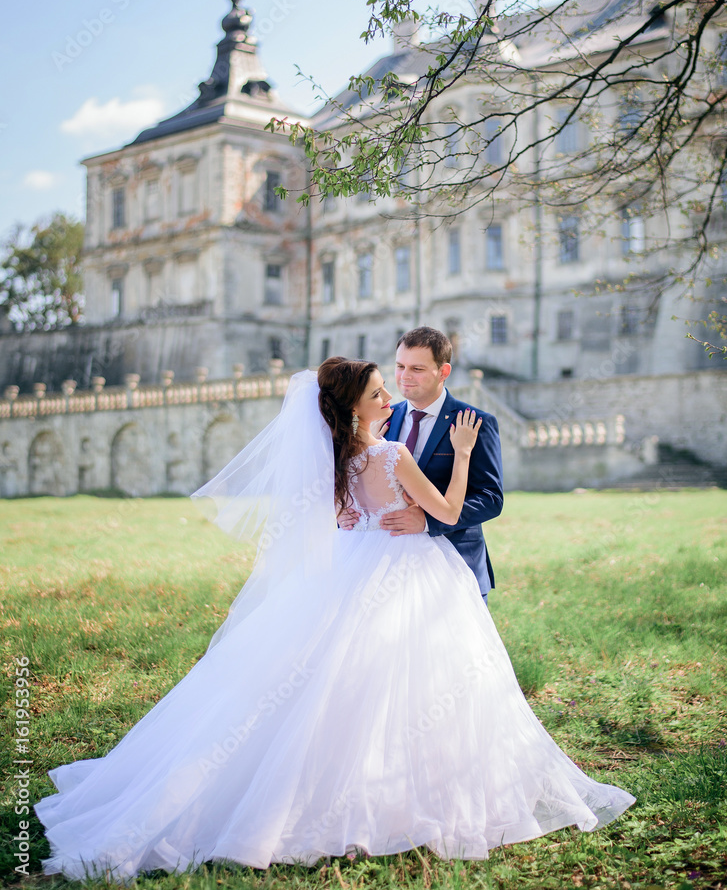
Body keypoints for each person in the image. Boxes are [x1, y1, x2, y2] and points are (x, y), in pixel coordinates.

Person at [34, 359, 634, 882]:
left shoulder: (342, 456)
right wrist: (466, 455)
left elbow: (345, 517)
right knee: (421, 677)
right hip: (410, 566)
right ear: (356, 405)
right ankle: (395, 791)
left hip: (357, 562)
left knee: (343, 674)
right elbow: (448, 509)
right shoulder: (392, 452)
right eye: (379, 391)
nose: (391, 396)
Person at [339, 327, 503, 601]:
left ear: (443, 371)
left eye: (417, 368)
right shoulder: (381, 418)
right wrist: (342, 513)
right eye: (400, 366)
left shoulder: (474, 423)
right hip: (386, 568)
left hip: (457, 564)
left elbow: (490, 498)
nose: (404, 377)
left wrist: (428, 521)